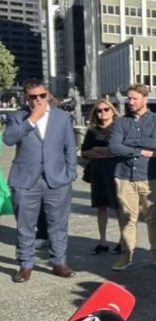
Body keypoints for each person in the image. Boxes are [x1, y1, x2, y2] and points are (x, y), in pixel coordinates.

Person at [3, 79, 76, 283]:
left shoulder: (62, 117)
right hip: (26, 180)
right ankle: (26, 264)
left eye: (42, 96)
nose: (38, 100)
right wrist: (32, 120)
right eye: (33, 97)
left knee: (58, 224)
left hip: (57, 180)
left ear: (48, 94)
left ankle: (59, 262)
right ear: (26, 97)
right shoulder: (17, 116)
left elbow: (70, 147)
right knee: (25, 225)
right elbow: (8, 139)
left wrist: (70, 174)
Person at [108, 83, 156, 271]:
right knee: (127, 219)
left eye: (134, 99)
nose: (130, 102)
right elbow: (114, 147)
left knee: (154, 218)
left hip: (150, 177)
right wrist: (141, 150)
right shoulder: (120, 122)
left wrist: (127, 143)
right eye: (129, 98)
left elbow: (155, 143)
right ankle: (127, 256)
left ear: (144, 100)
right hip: (124, 177)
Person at [81, 98, 123, 255]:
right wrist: (105, 152)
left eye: (106, 109)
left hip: (116, 172)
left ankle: (122, 241)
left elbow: (118, 150)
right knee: (101, 208)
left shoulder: (118, 129)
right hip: (97, 173)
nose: (102, 113)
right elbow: (84, 152)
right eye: (99, 110)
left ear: (112, 111)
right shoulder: (92, 131)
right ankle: (102, 241)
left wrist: (98, 150)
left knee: (119, 208)